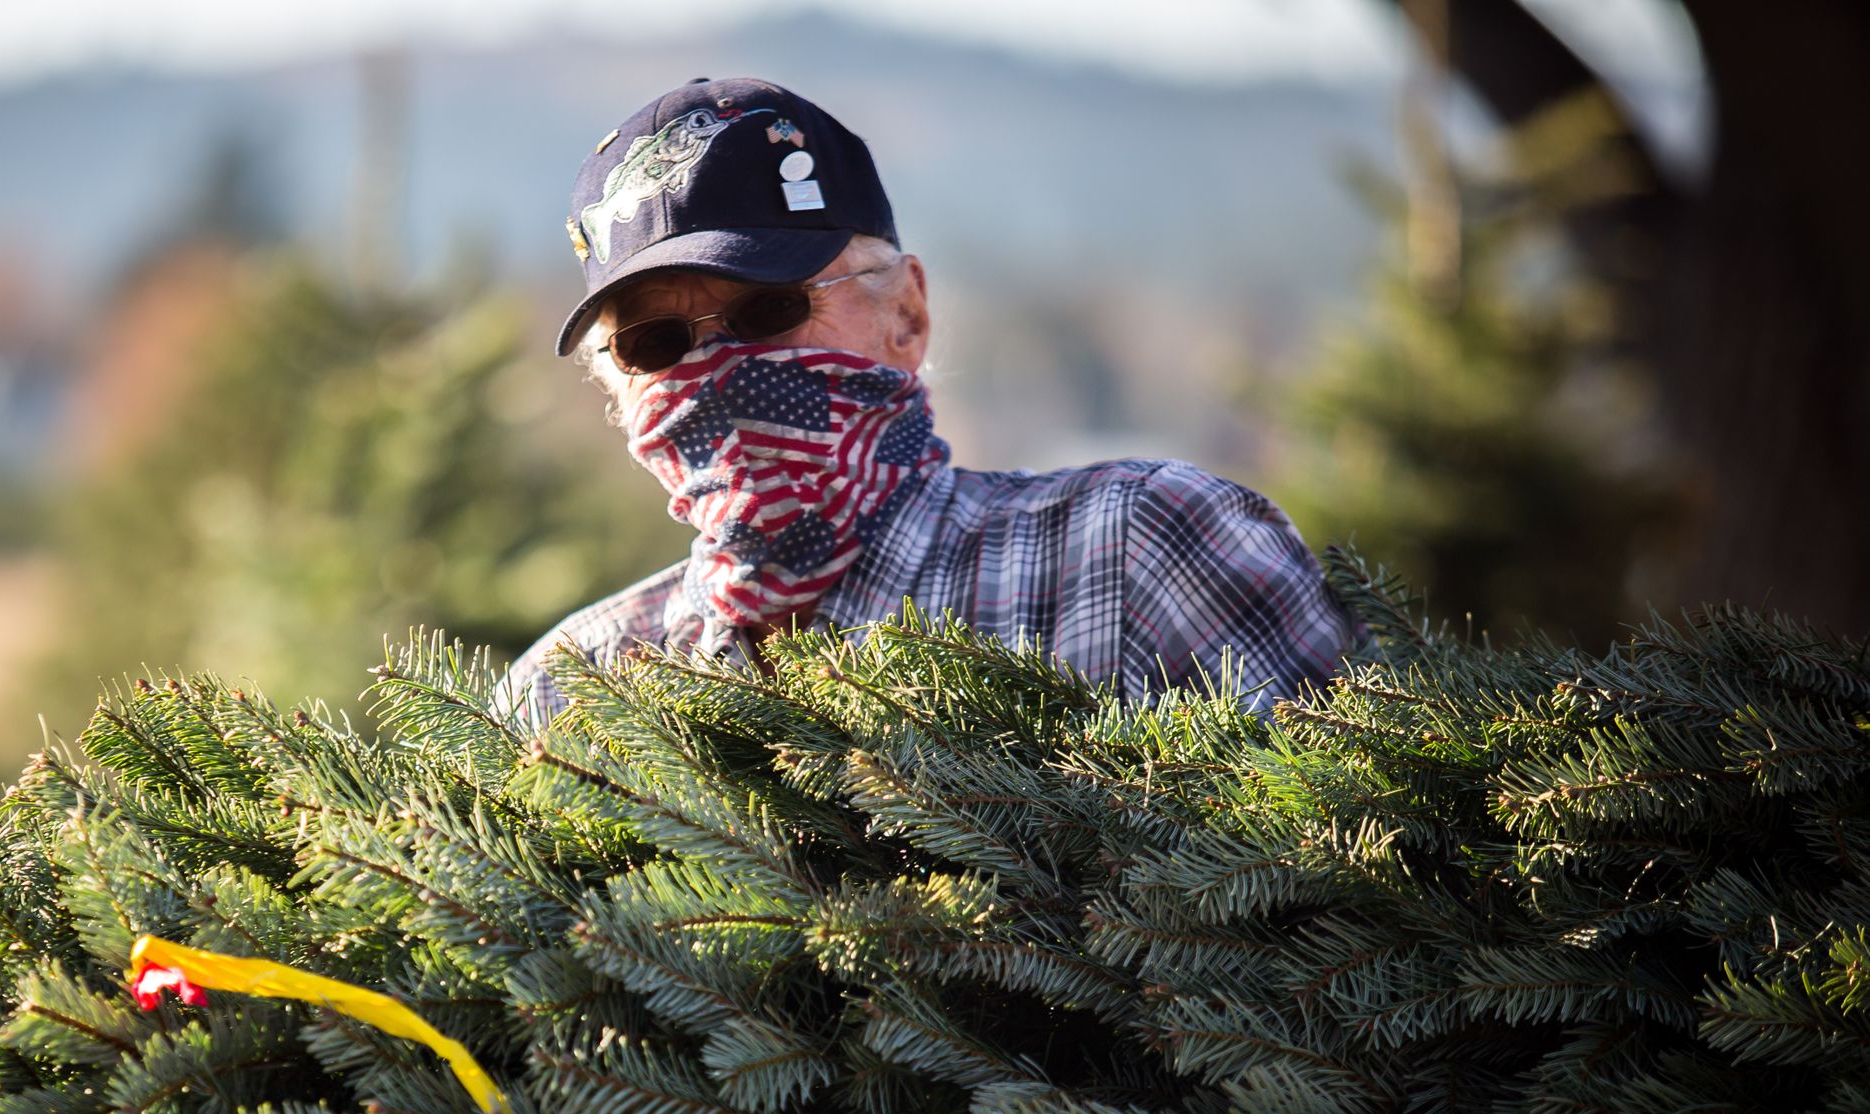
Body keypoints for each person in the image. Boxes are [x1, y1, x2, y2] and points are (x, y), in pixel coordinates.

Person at [494, 76, 1365, 728]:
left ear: (905, 314)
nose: (721, 368)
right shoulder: (566, 692)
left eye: (771, 309)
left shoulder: (1142, 552)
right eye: (657, 344)